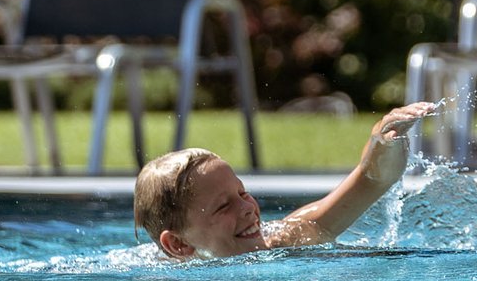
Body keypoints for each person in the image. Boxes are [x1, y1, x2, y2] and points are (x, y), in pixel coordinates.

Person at [133, 102, 439, 260]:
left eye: (242, 193)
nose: (248, 209)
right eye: (223, 206)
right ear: (178, 244)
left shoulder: (290, 237)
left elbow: (370, 180)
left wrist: (381, 141)